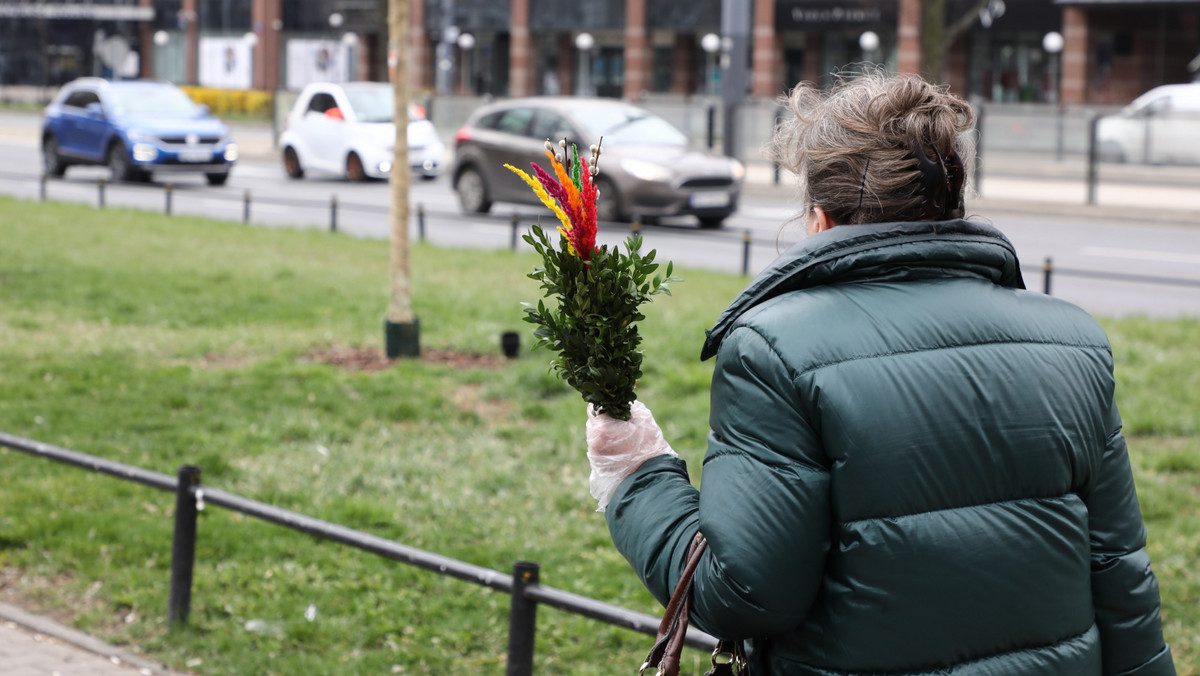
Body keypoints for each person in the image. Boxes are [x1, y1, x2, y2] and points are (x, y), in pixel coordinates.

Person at [585, 72, 1176, 675]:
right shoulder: (1073, 340)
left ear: (819, 218)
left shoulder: (775, 350)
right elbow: (1121, 578)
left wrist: (637, 475)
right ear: (950, 201)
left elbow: (745, 593)